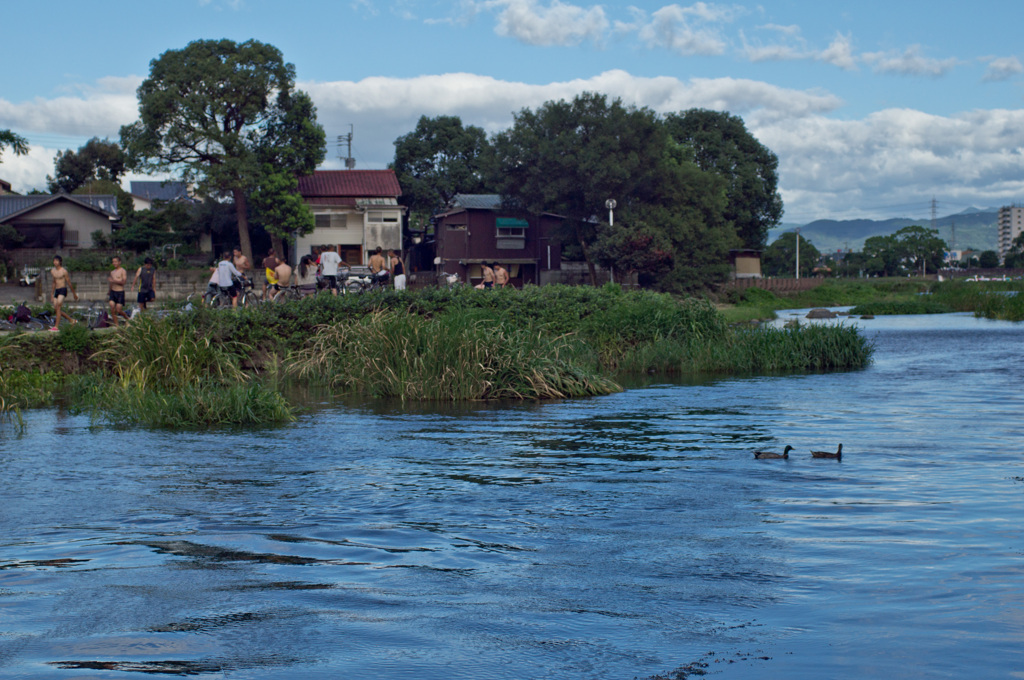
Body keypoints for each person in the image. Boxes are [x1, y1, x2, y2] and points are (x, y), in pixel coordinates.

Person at [50, 255, 79, 330]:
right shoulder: (52, 271)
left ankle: (56, 326)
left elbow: (69, 283)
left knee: (59, 306)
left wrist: (74, 294)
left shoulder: (64, 271)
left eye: (56, 261)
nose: (55, 262)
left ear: (60, 262)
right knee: (56, 309)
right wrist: (52, 294)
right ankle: (71, 320)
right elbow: (53, 282)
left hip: (63, 289)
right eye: (54, 261)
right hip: (57, 290)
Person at [107, 255, 129, 325]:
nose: (114, 263)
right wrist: (109, 290)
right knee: (112, 308)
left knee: (118, 310)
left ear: (119, 262)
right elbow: (111, 282)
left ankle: (127, 318)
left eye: (115, 262)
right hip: (113, 292)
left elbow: (123, 282)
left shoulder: (123, 271)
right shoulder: (112, 272)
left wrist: (114, 281)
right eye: (113, 262)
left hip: (120, 292)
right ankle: (116, 325)